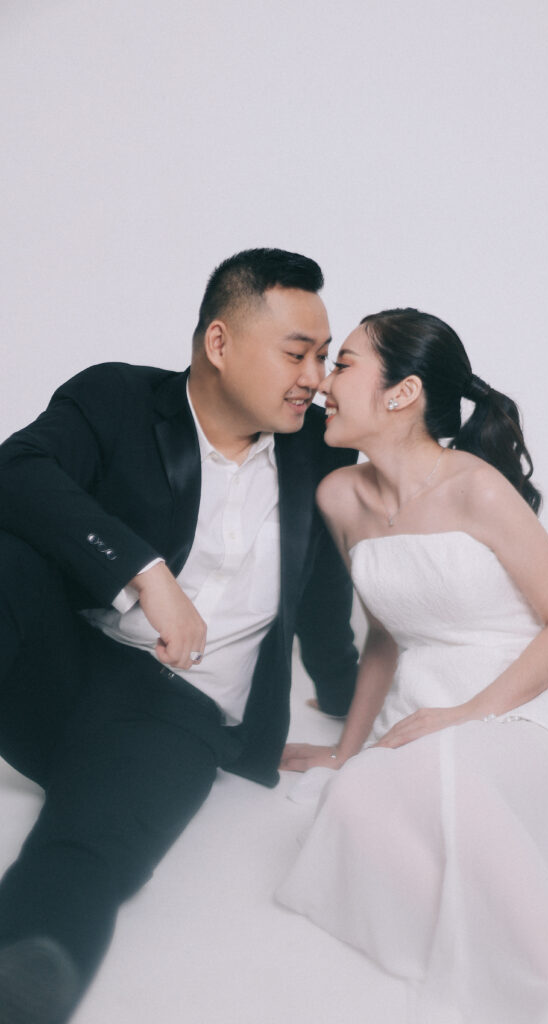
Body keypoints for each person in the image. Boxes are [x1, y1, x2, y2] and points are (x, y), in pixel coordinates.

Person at [276, 308, 548, 1024]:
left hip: (532, 707)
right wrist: (346, 750)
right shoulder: (339, 496)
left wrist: (468, 715)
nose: (322, 384)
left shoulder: (476, 488)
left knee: (452, 781)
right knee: (353, 801)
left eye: (342, 364)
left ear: (402, 393)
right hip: (424, 710)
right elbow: (384, 635)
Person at [0, 248, 359, 1022]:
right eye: (296, 353)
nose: (315, 378)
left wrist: (352, 710)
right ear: (219, 343)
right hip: (60, 672)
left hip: (173, 716)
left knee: (83, 853)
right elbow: (15, 469)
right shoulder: (118, 398)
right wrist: (144, 572)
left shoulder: (316, 448)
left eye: (323, 357)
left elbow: (327, 599)